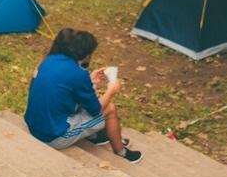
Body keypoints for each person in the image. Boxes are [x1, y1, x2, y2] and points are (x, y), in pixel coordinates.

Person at [24, 28, 142, 163]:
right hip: (53, 136)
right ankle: (121, 151)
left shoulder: (48, 59)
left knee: (83, 100)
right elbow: (96, 109)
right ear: (85, 54)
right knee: (110, 109)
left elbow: (64, 87)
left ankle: (95, 136)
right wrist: (111, 91)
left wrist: (89, 80)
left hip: (34, 123)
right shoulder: (78, 73)